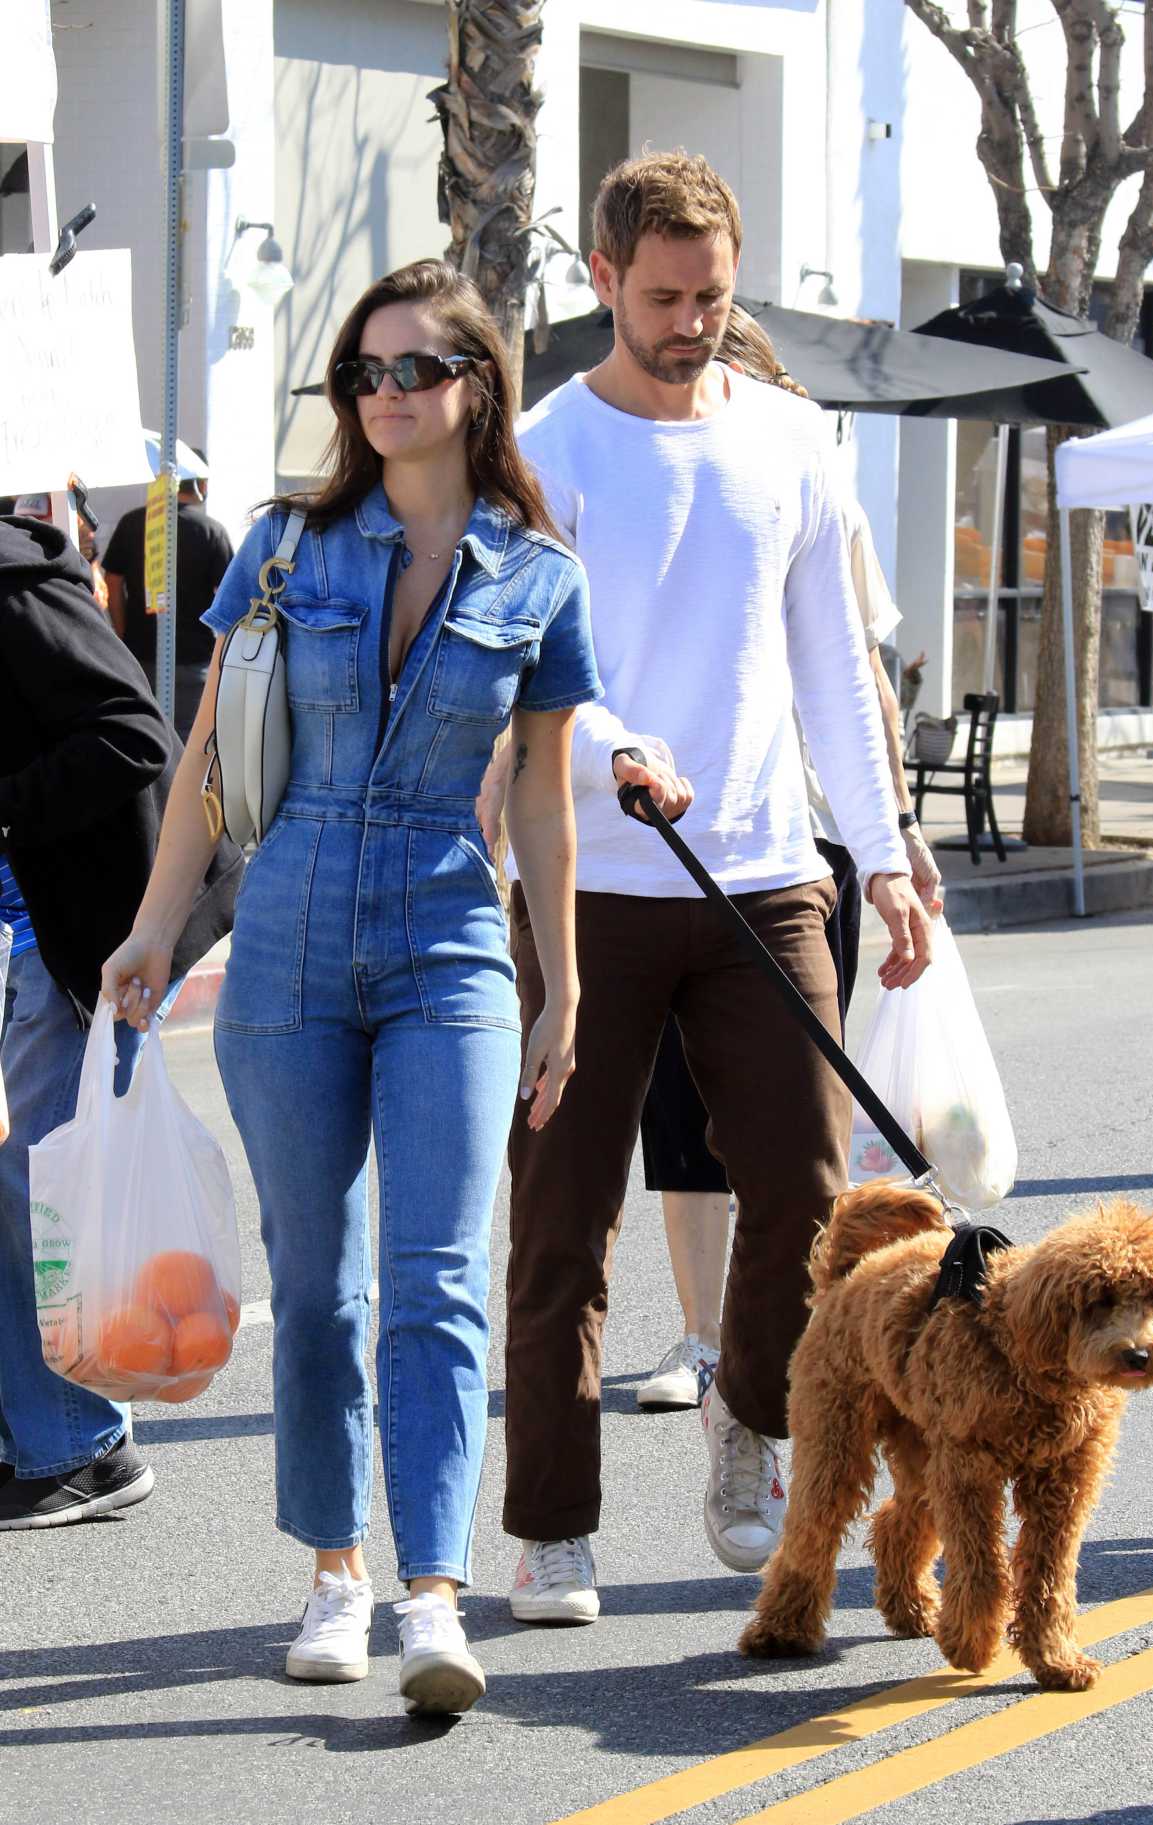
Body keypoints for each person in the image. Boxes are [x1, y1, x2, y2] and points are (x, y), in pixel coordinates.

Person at [102, 260, 600, 1717]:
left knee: (437, 1281)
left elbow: (552, 806)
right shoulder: (278, 550)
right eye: (363, 375)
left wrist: (560, 984)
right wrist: (150, 931)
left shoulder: (541, 578)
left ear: (474, 387)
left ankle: (433, 1598)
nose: (385, 397)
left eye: (414, 371)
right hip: (292, 940)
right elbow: (205, 762)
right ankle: (336, 1574)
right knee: (321, 1287)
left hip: (451, 942)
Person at [499, 151, 932, 1626]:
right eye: (664, 296)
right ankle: (552, 1529)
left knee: (813, 1199)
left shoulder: (793, 440)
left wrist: (882, 852)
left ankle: (745, 1418)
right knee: (562, 1217)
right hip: (588, 884)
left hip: (760, 873)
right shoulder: (548, 446)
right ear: (604, 280)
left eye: (714, 297)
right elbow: (533, 673)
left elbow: (832, 666)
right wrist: (623, 750)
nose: (690, 322)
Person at [0, 512, 242, 1530]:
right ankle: (45, 1430)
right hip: (41, 936)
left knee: (39, 1193)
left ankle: (75, 1445)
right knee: (29, 1188)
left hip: (75, 944)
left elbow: (134, 733)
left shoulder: (11, 584)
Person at [103, 461, 235, 740]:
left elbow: (112, 581)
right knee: (187, 742)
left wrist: (121, 632)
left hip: (140, 653)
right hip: (194, 655)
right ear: (202, 485)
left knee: (143, 736)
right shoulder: (211, 530)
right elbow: (228, 595)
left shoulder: (133, 522)